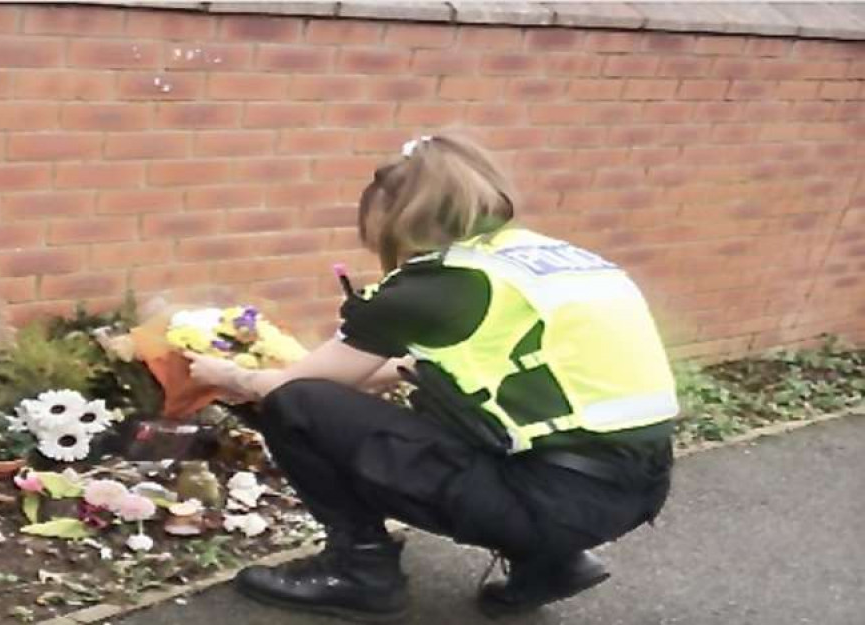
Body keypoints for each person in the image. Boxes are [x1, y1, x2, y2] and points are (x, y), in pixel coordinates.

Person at [185, 134, 678, 622]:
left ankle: (360, 572)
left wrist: (224, 374)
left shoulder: (436, 284)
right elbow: (424, 367)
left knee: (297, 406)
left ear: (396, 214)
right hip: (633, 490)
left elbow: (293, 388)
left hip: (546, 505)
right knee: (440, 404)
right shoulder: (537, 260)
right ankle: (552, 563)